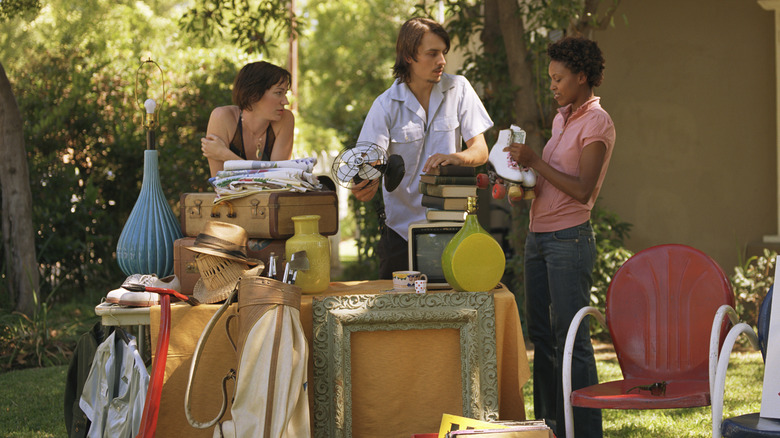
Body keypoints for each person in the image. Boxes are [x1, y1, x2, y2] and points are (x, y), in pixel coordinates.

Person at [504, 36, 615, 438]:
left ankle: (585, 431)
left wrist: (535, 159)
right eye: (550, 78)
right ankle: (549, 427)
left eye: (559, 78)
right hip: (538, 238)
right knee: (543, 337)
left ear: (582, 76)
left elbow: (583, 188)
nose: (552, 86)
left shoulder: (597, 123)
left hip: (569, 239)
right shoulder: (560, 119)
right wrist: (522, 184)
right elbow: (552, 182)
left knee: (573, 337)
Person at [352, 17, 493, 279]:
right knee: (398, 316)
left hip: (453, 228)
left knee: (453, 314)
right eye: (432, 53)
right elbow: (368, 164)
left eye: (443, 53)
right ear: (408, 56)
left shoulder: (459, 89)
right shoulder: (385, 106)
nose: (441, 61)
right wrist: (364, 185)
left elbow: (481, 151)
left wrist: (457, 157)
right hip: (400, 233)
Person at [201, 61, 295, 177]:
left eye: (285, 93)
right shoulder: (222, 118)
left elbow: (278, 180)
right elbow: (220, 184)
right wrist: (264, 174)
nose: (285, 101)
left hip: (270, 196)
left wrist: (225, 155)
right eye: (278, 93)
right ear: (253, 94)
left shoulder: (285, 119)